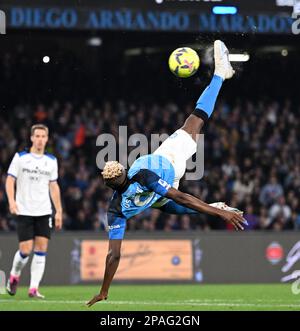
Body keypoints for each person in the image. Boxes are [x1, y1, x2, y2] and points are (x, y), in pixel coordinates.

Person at [87, 40, 246, 307]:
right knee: (195, 120)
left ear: (109, 186)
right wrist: (220, 214)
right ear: (124, 171)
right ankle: (220, 74)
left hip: (155, 194)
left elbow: (113, 255)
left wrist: (104, 290)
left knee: (162, 204)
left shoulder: (114, 208)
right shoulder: (142, 174)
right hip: (168, 161)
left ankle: (212, 205)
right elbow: (181, 196)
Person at [6, 124, 63, 298]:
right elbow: (10, 180)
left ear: (47, 139)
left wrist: (59, 211)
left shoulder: (51, 161)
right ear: (31, 138)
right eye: (36, 136)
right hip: (24, 210)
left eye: (42, 136)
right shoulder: (21, 158)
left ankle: (33, 288)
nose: (39, 139)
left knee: (41, 248)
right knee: (25, 249)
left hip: (44, 211)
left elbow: (54, 187)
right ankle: (14, 275)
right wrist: (11, 201)